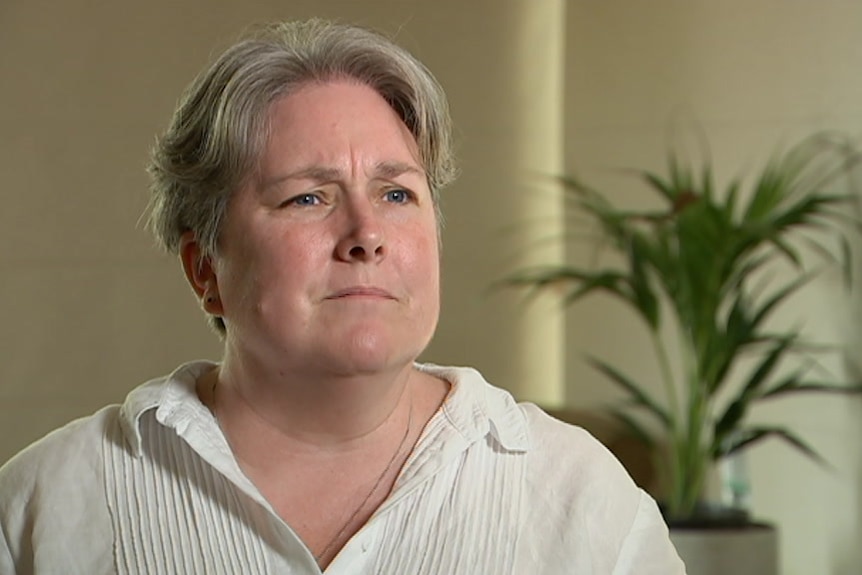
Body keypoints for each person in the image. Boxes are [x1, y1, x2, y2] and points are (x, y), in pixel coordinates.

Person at [0, 19, 686, 574]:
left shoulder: (579, 498)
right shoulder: (48, 504)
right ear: (203, 267)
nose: (366, 234)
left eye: (396, 193)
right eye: (308, 196)